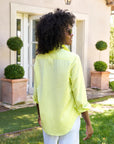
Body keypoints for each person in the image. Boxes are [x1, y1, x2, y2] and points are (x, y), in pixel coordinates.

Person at [33, 8, 93, 144]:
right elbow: (80, 96)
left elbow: (37, 93)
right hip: (69, 121)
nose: (72, 35)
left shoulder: (39, 59)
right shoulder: (72, 59)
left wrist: (40, 115)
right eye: (69, 31)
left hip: (47, 121)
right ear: (58, 34)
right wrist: (88, 123)